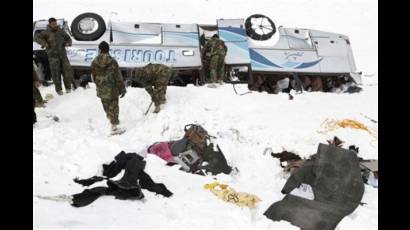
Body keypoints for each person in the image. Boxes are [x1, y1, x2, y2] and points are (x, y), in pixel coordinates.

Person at [91, 41, 126, 134]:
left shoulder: (94, 61)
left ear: (99, 50)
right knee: (114, 106)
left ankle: (111, 119)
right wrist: (122, 89)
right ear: (108, 49)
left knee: (106, 105)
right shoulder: (112, 61)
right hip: (112, 88)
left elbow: (93, 76)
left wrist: (98, 85)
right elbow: (118, 76)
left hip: (101, 88)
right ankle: (114, 127)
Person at [34, 17, 74, 95]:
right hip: (53, 57)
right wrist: (44, 43)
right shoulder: (45, 32)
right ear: (49, 24)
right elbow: (36, 38)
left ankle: (68, 89)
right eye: (53, 24)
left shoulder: (61, 31)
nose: (55, 25)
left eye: (55, 24)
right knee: (56, 74)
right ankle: (59, 91)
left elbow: (68, 38)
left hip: (63, 56)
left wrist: (68, 43)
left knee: (67, 73)